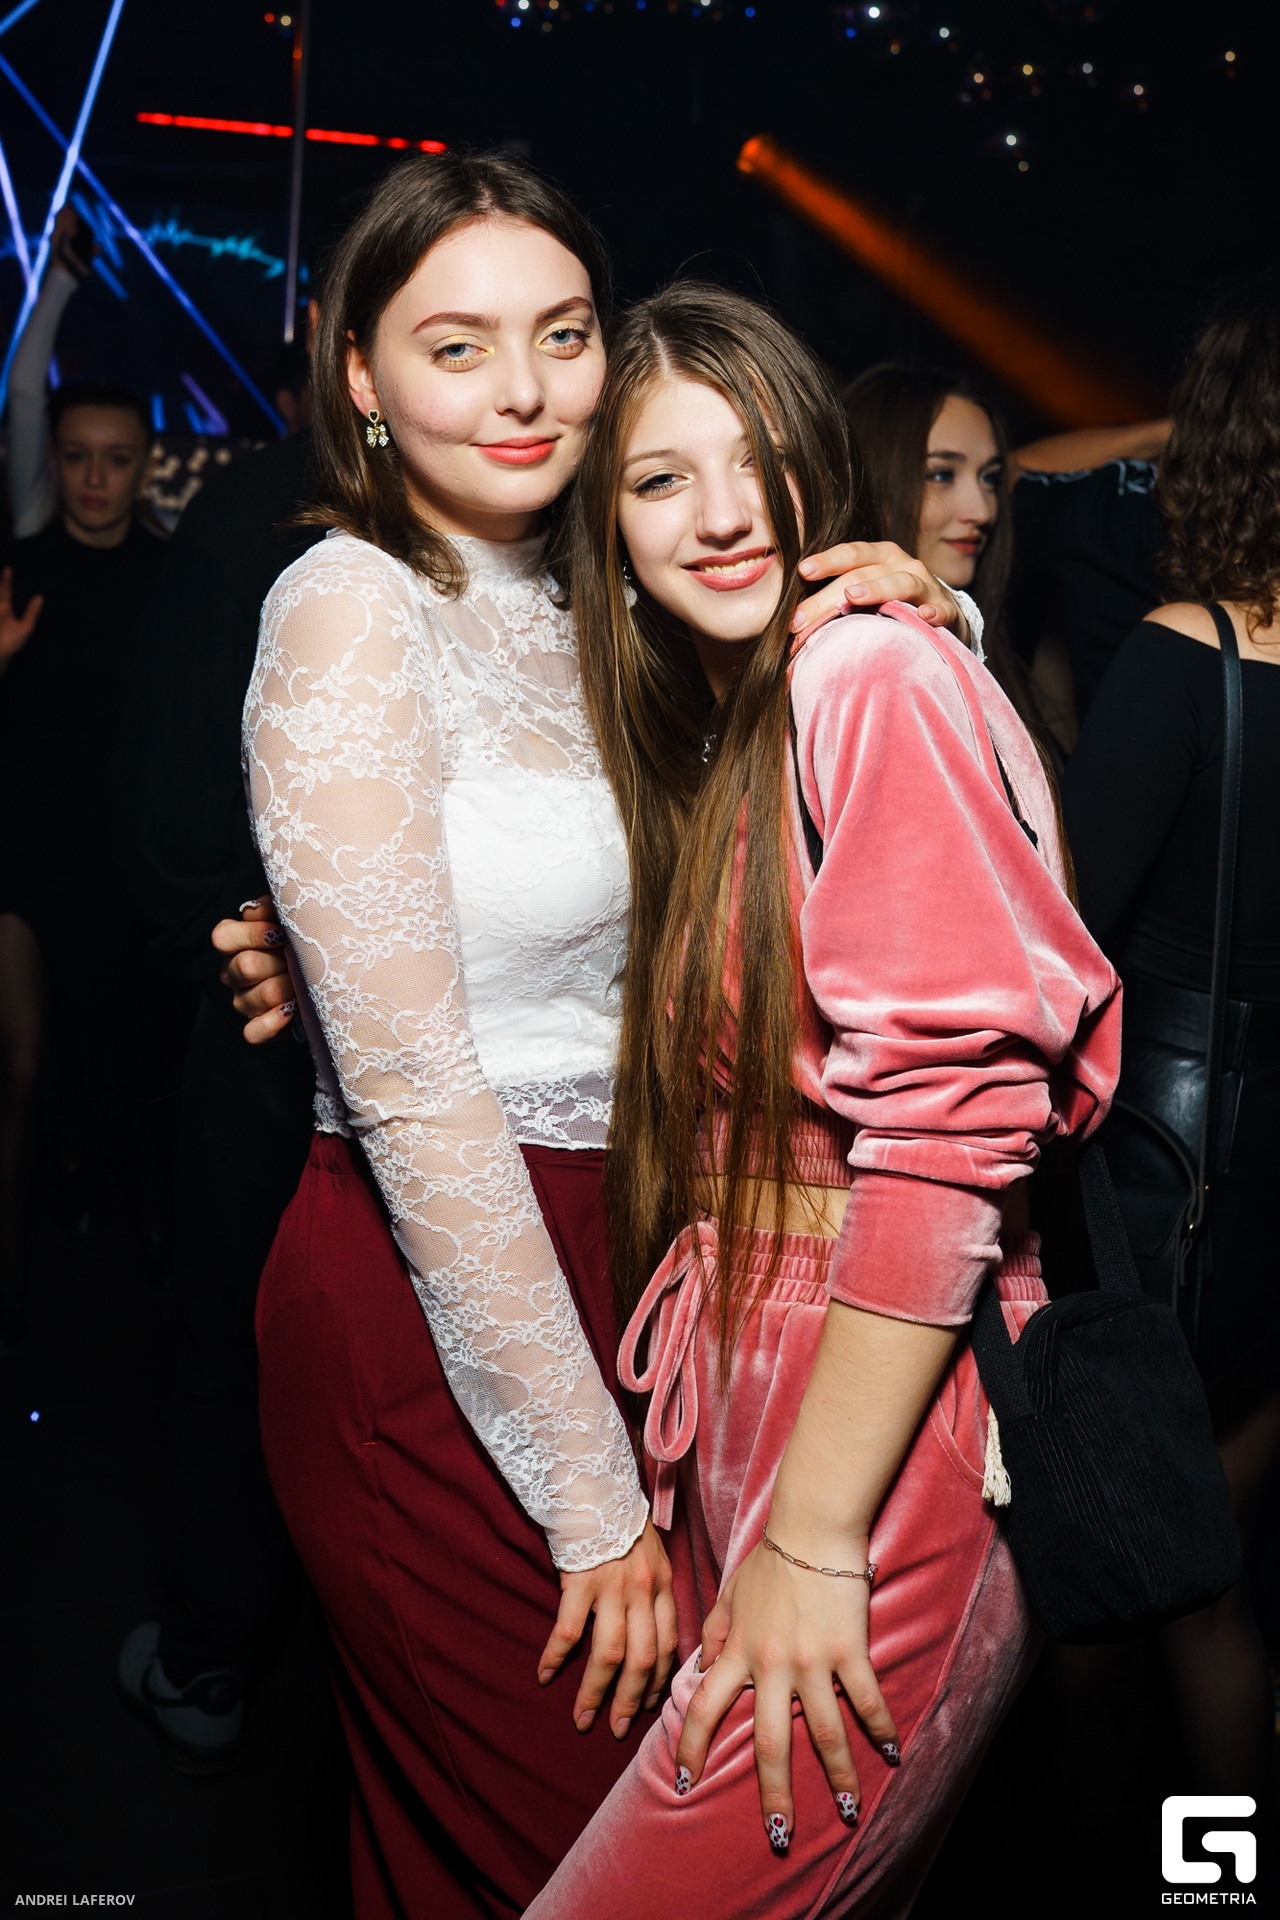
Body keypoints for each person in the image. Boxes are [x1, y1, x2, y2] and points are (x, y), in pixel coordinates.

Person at [225, 153, 979, 1917]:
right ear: (359, 373)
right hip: (436, 1299)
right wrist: (591, 1505)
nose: (523, 391)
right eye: (457, 345)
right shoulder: (349, 603)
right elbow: (417, 1089)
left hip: (631, 1266)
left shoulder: (605, 609)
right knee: (583, 1839)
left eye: (562, 336)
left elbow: (741, 890)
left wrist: (909, 620)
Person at [522, 283, 1120, 1918]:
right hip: (757, 1366)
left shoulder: (865, 674)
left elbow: (952, 1131)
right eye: (660, 479)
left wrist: (813, 1532)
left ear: (820, 467)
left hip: (882, 1402)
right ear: (608, 524)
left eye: (756, 462)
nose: (721, 516)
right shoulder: (737, 712)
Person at [1061, 277, 1280, 1813]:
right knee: (1215, 1584)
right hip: (1271, 1200)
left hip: (1166, 1182)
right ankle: (1224, 1885)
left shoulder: (1181, 654)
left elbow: (1060, 941)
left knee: (1096, 1591)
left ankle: (1070, 1865)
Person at [111, 397, 324, 1766]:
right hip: (274, 1028)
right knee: (253, 1346)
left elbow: (162, 804)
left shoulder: (577, 526)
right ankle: (218, 1653)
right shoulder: (267, 513)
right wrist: (242, 954)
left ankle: (214, 1659)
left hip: (481, 1071)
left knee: (256, 1352)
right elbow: (171, 797)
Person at [0, 207, 168, 1350]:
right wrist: (57, 279)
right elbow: (24, 393)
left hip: (118, 857)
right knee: (16, 1068)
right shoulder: (27, 543)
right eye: (75, 457)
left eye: (115, 459)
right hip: (20, 848)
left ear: (146, 463)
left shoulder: (169, 570)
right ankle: (9, 1277)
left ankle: (129, 1245)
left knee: (119, 1064)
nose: (93, 478)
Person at [842, 365, 1046, 742]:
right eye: (941, 475)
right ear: (871, 481)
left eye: (990, 478)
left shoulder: (1008, 648)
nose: (982, 512)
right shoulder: (859, 651)